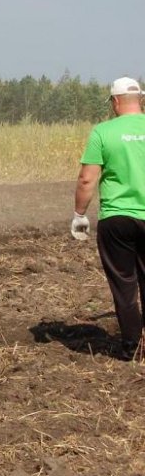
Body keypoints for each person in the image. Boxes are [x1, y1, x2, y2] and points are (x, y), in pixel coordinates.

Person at [73, 76, 145, 360]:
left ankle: (132, 347)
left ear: (115, 102)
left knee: (124, 283)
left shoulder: (103, 132)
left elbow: (86, 180)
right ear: (139, 98)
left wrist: (79, 214)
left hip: (117, 219)